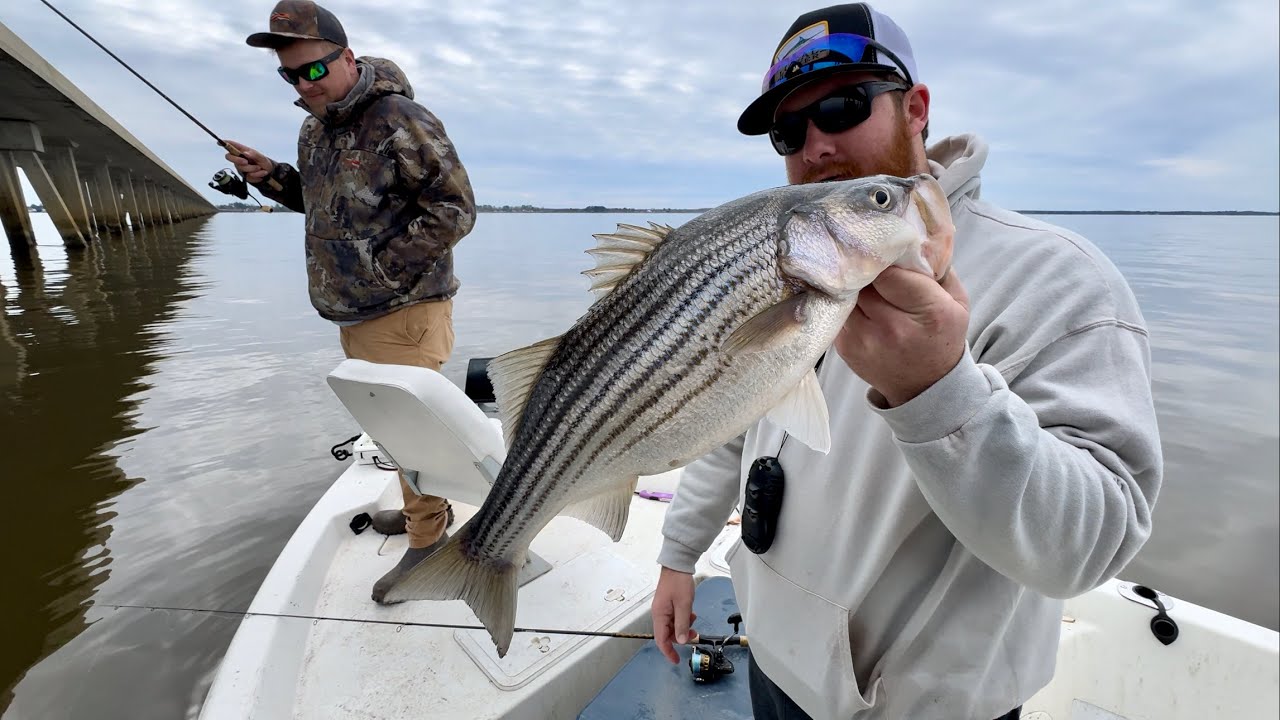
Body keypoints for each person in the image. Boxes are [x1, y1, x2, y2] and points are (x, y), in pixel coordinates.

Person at [650, 4, 1164, 719]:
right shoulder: (799, 267)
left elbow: (1088, 546)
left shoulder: (1061, 279)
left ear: (915, 108)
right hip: (772, 667)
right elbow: (735, 416)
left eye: (840, 106)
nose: (815, 144)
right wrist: (679, 553)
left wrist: (936, 388)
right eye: (789, 129)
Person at [225, 0, 477, 603]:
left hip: (404, 309)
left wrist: (382, 270)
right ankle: (424, 514)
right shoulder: (314, 130)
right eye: (290, 75)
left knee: (411, 429)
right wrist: (272, 178)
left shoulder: (398, 117)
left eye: (314, 69)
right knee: (387, 427)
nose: (304, 84)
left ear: (347, 57)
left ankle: (428, 543)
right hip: (354, 311)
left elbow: (455, 209)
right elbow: (323, 205)